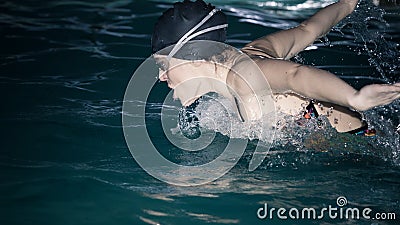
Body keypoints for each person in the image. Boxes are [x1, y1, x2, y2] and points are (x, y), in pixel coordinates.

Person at [151, 0, 400, 138]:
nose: (161, 77)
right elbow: (307, 31)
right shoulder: (251, 53)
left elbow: (295, 76)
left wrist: (354, 98)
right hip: (363, 140)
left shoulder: (244, 76)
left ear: (195, 59)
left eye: (164, 66)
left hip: (358, 148)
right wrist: (347, 4)